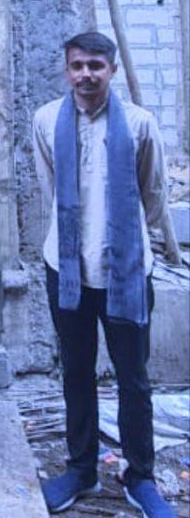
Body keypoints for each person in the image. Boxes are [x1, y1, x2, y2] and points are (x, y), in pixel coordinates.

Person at [33, 32, 181, 518]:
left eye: (96, 65)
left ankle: (140, 476)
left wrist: (157, 251)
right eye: (77, 65)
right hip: (68, 267)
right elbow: (50, 188)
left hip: (127, 270)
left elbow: (152, 193)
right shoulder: (47, 120)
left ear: (112, 70)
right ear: (66, 69)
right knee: (75, 371)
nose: (86, 75)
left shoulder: (139, 124)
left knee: (134, 378)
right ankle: (81, 468)